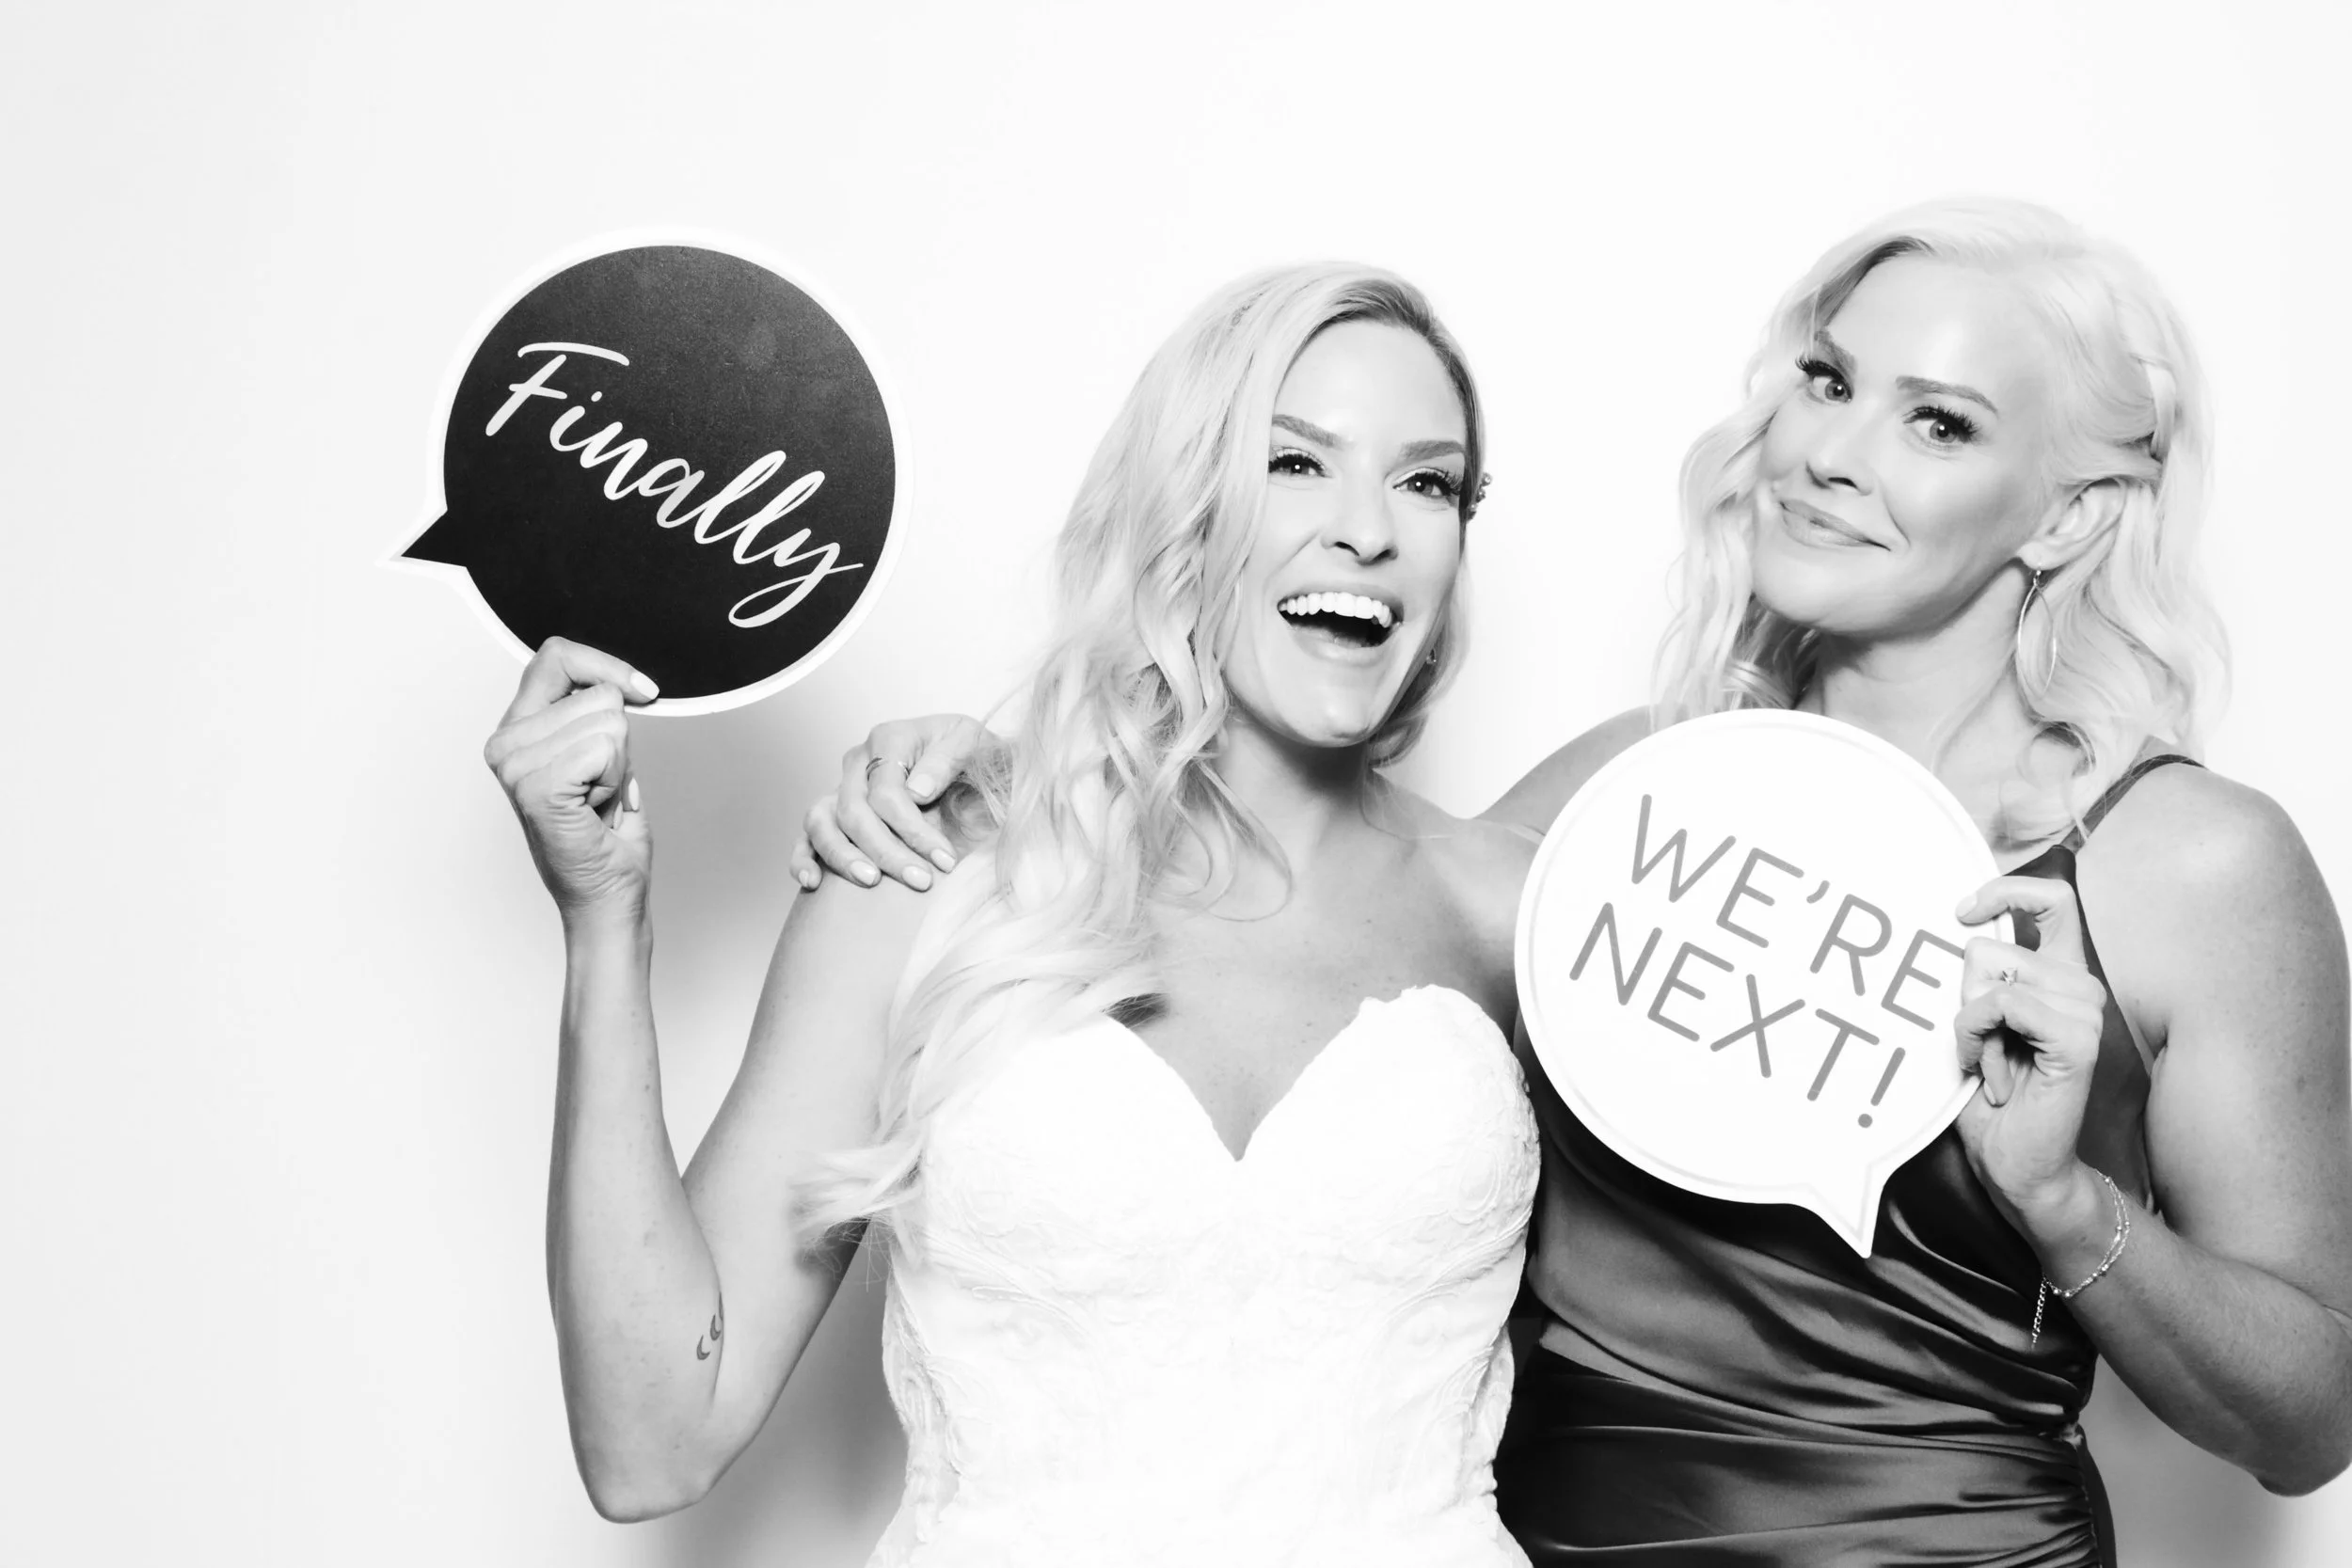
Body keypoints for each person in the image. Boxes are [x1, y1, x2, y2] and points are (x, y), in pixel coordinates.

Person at [795, 198, 2352, 1565]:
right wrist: (1015, 781)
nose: (1829, 451)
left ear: (2070, 514)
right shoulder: (1627, 792)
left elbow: (2310, 1424)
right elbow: (1304, 927)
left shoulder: (2189, 865)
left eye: (1937, 423)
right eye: (1827, 380)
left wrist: (2067, 1204)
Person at [482, 262, 1547, 1566]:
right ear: (1185, 502)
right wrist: (605, 919)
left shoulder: (1527, 912)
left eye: (1428, 482)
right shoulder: (924, 870)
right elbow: (653, 1441)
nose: (1369, 529)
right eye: (1295, 462)